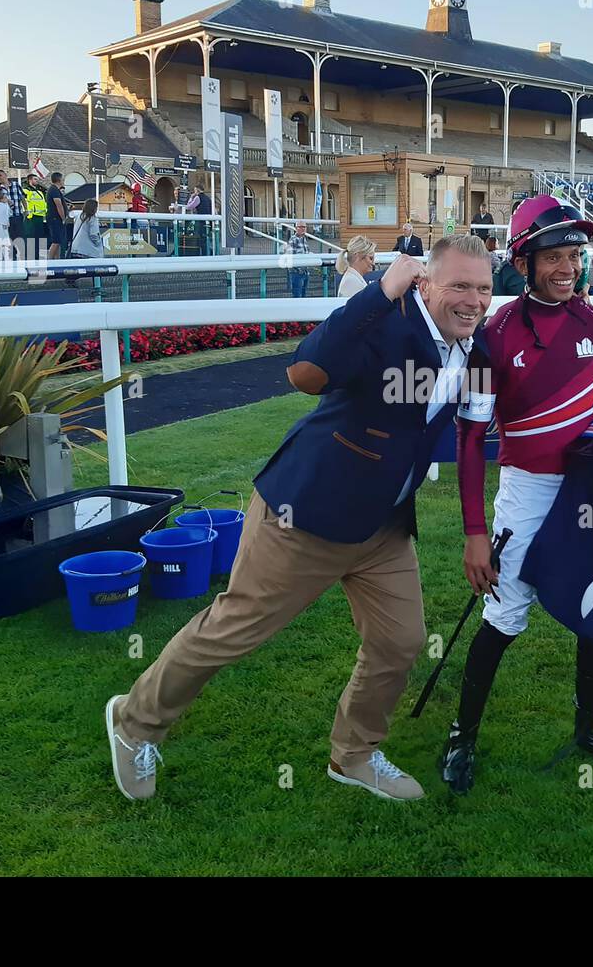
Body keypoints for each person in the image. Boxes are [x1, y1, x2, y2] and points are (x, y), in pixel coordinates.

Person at [104, 236, 495, 802]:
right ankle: (134, 722)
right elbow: (305, 372)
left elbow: (472, 429)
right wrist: (377, 293)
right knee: (232, 631)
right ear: (424, 283)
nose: (473, 299)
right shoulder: (384, 322)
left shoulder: (475, 350)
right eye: (459, 285)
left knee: (401, 641)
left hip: (383, 525)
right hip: (305, 512)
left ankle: (355, 754)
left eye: (483, 288)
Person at [438, 196, 593, 795]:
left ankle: (589, 729)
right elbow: (471, 438)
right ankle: (462, 734)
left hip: (591, 492)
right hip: (525, 493)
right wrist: (475, 532)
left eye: (574, 256)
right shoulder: (491, 337)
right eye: (553, 256)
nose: (566, 268)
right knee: (503, 618)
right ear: (524, 262)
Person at [20, 173, 48, 261]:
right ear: (30, 180)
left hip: (40, 217)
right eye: (35, 179)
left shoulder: (40, 191)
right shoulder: (25, 190)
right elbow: (23, 200)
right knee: (30, 237)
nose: (37, 181)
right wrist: (27, 213)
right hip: (31, 217)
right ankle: (29, 256)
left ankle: (36, 255)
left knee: (38, 237)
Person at [0, 169, 25, 241]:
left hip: (17, 214)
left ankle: (21, 251)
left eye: (0, 175)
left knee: (19, 236)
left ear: (5, 175)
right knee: (10, 237)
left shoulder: (15, 184)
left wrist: (26, 209)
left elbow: (22, 197)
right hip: (7, 217)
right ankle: (13, 252)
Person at [286, 219, 311, 297]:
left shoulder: (304, 239)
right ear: (296, 228)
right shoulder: (293, 240)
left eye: (304, 227)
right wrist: (296, 270)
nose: (303, 229)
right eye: (300, 227)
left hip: (305, 272)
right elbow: (289, 256)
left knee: (304, 294)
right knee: (297, 295)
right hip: (297, 273)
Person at [46, 172, 67, 259]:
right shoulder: (54, 190)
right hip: (55, 219)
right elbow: (58, 205)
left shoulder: (55, 190)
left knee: (58, 241)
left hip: (55, 218)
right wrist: (63, 218)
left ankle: (56, 260)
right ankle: (49, 260)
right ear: (59, 180)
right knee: (56, 241)